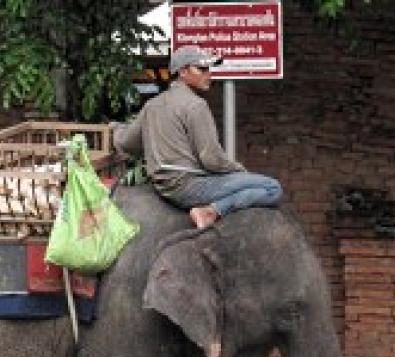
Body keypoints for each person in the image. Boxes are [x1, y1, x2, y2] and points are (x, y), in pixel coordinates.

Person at [113, 45, 283, 229]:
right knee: (272, 188)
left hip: (165, 187)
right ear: (183, 72)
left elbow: (126, 143)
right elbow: (212, 159)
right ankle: (211, 211)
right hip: (191, 187)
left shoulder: (152, 105)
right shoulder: (196, 106)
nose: (208, 74)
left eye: (208, 69)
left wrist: (115, 128)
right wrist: (238, 169)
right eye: (201, 69)